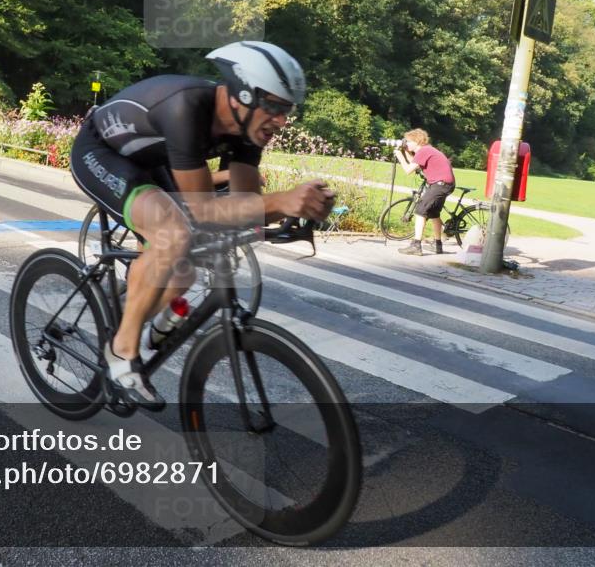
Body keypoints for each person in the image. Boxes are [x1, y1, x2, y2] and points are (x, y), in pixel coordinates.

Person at [70, 41, 334, 410]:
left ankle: (134, 312)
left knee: (182, 274)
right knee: (172, 234)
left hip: (151, 161)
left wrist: (292, 213)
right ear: (243, 95)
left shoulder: (248, 130)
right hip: (101, 151)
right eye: (275, 107)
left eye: (287, 110)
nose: (282, 121)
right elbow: (203, 209)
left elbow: (244, 206)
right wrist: (280, 201)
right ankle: (121, 350)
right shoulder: (186, 107)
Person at [393, 128, 455, 256]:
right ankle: (438, 245)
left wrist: (399, 156)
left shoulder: (424, 151)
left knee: (420, 211)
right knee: (434, 213)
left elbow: (408, 170)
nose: (406, 143)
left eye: (408, 141)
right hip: (445, 184)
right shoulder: (427, 150)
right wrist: (406, 152)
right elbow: (414, 163)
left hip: (439, 184)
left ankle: (416, 246)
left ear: (417, 141)